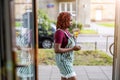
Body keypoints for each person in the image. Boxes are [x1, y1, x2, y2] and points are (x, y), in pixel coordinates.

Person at [54, 12, 81, 80]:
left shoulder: (66, 31)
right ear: (64, 20)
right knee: (73, 78)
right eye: (70, 20)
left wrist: (75, 38)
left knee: (64, 78)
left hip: (68, 60)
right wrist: (72, 48)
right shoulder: (59, 32)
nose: (72, 22)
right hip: (63, 61)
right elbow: (57, 50)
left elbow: (67, 43)